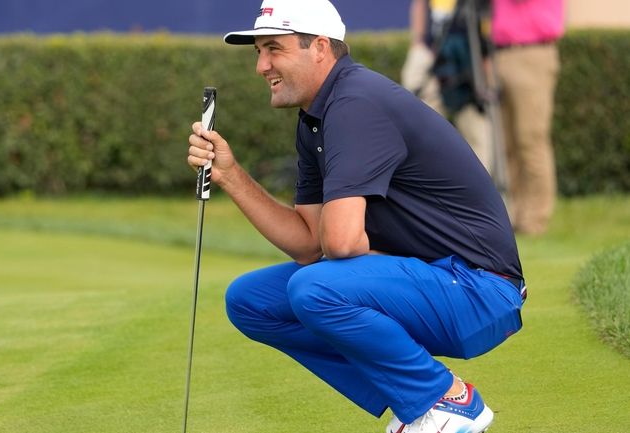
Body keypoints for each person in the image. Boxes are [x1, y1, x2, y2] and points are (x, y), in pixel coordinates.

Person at [186, 0, 526, 431]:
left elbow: (341, 243)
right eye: (259, 52)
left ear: (321, 48)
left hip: (481, 291)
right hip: (436, 281)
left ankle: (447, 400)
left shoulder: (355, 102)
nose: (261, 66)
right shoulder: (314, 118)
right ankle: (418, 404)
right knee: (251, 301)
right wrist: (230, 175)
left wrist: (348, 250)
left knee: (315, 288)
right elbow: (311, 244)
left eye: (274, 48)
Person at [491, 0, 564, 235]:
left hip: (532, 53)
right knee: (507, 145)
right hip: (501, 53)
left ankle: (536, 219)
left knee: (531, 139)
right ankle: (517, 214)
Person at [401, 0, 494, 171]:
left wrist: (485, 68)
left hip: (469, 58)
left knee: (477, 130)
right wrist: (418, 42)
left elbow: (488, 17)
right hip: (431, 53)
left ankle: (478, 191)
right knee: (421, 130)